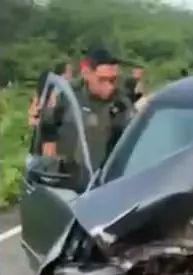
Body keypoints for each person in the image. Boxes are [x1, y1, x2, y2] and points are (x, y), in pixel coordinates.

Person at [38, 46, 131, 183]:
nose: (109, 87)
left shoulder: (122, 105)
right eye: (102, 80)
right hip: (63, 182)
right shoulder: (67, 98)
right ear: (87, 74)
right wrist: (49, 169)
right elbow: (48, 131)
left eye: (113, 80)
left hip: (99, 185)